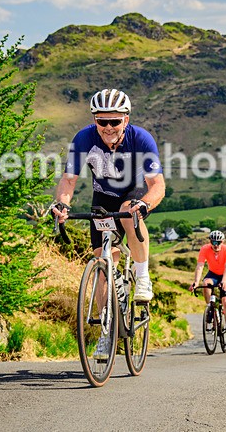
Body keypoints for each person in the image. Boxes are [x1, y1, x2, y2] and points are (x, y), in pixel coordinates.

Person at [51, 88, 165, 360]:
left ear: (126, 119)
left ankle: (142, 276)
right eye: (103, 121)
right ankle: (107, 331)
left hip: (133, 193)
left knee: (129, 211)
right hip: (102, 198)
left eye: (115, 121)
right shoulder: (84, 139)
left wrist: (145, 203)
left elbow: (157, 184)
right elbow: (68, 181)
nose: (109, 127)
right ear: (95, 120)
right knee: (103, 266)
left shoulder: (141, 139)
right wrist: (62, 205)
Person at [189, 230, 226, 345]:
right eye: (213, 242)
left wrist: (224, 282)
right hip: (213, 273)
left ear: (222, 242)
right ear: (210, 241)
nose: (215, 245)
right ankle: (210, 307)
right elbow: (200, 266)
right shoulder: (205, 249)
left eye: (218, 242)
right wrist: (195, 282)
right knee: (206, 283)